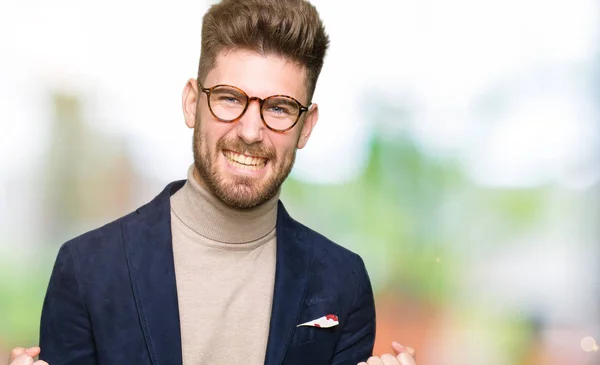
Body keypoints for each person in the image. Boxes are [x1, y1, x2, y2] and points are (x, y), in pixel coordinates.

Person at [10, 0, 418, 364]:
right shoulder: (88, 269)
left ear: (306, 126)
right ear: (192, 103)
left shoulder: (342, 282)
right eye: (229, 98)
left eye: (278, 107)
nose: (251, 131)